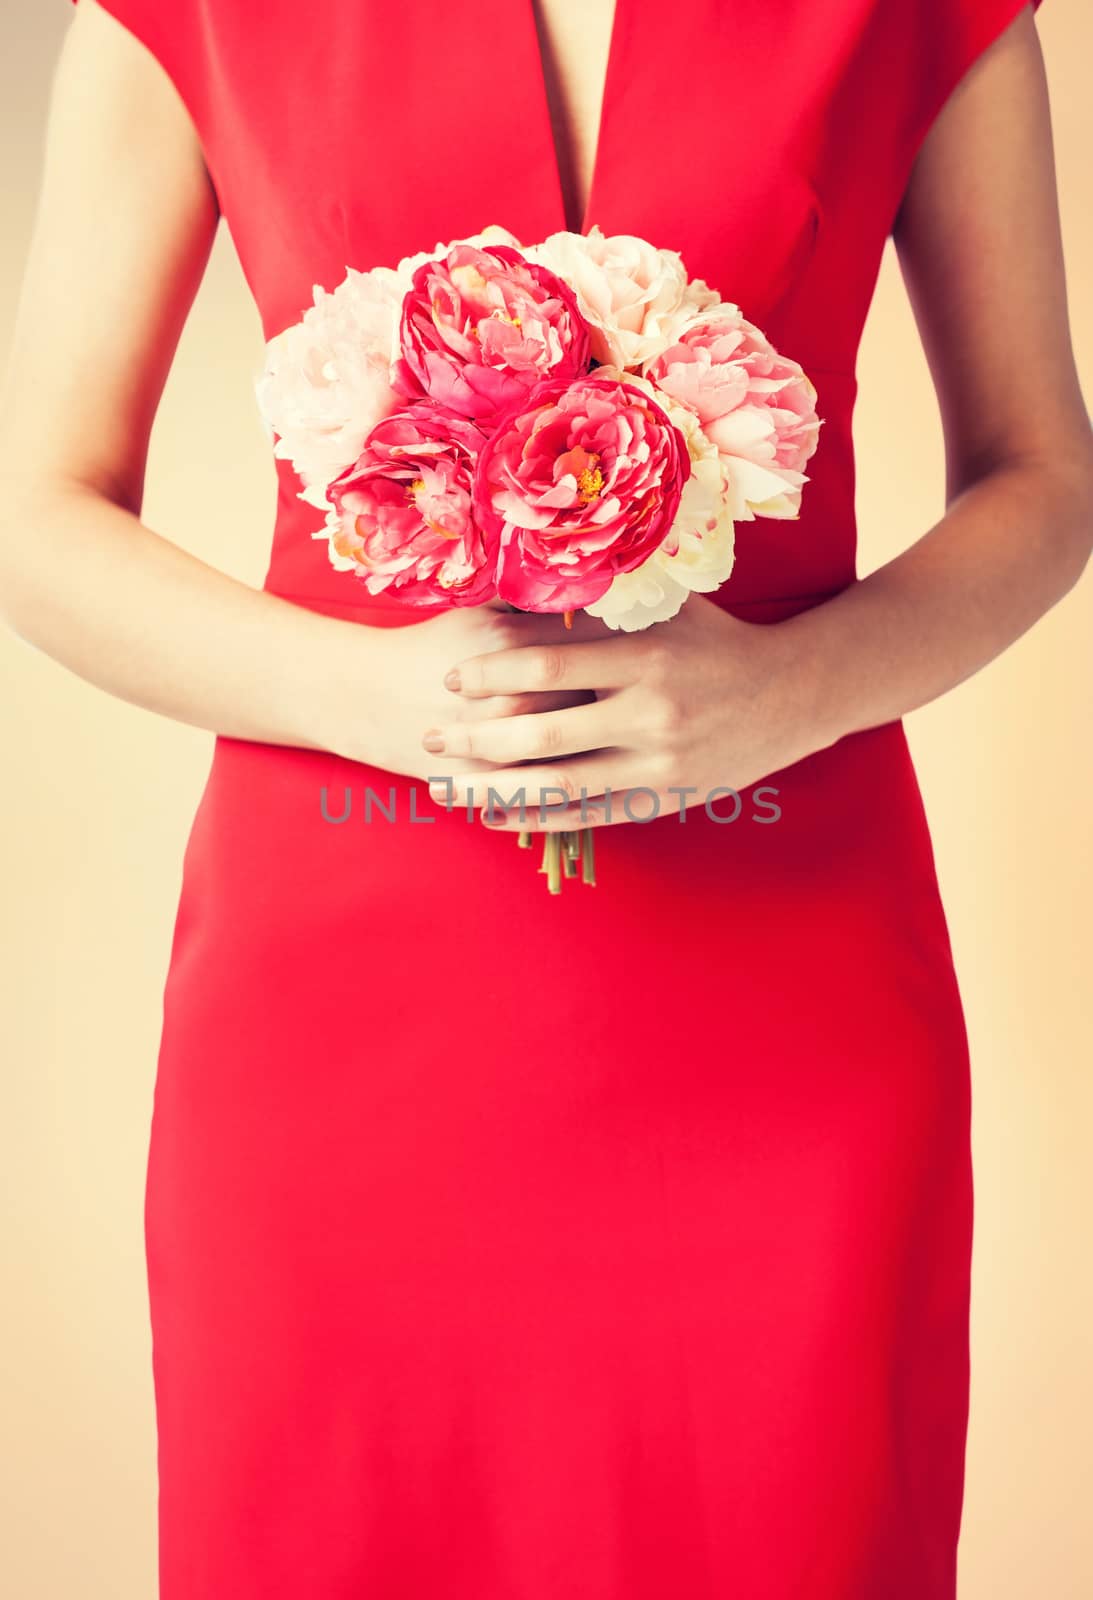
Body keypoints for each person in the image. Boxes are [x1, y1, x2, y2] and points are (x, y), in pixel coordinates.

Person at [1, 1, 1089, 1595]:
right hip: (344, 1006)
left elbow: (1041, 472)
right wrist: (367, 696)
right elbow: (37, 508)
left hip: (787, 985)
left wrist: (791, 693)